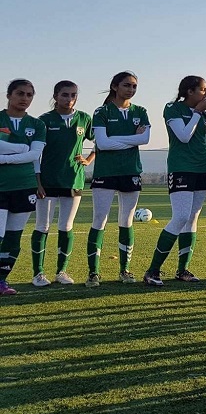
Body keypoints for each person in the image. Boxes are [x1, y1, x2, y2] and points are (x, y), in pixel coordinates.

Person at [142, 76, 206, 286]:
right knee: (180, 217)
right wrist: (196, 113)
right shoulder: (173, 109)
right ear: (190, 91)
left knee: (192, 219)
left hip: (203, 171)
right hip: (181, 169)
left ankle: (183, 270)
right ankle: (153, 271)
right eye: (203, 90)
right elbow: (183, 136)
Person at [88, 71, 151, 287]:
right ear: (115, 86)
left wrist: (118, 139)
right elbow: (102, 144)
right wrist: (132, 140)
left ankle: (125, 270)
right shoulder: (102, 111)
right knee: (100, 220)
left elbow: (145, 138)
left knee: (126, 221)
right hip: (105, 172)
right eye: (127, 85)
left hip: (131, 171)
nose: (131, 90)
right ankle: (93, 273)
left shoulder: (141, 111)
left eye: (134, 86)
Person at [31, 81, 94, 286]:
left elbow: (99, 140)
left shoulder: (84, 118)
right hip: (48, 181)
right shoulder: (44, 121)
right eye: (65, 95)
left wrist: (89, 159)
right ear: (56, 96)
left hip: (73, 179)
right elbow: (35, 154)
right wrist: (38, 181)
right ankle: (38, 273)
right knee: (43, 226)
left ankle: (61, 271)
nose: (69, 99)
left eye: (73, 95)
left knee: (66, 226)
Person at [0, 80, 47, 295]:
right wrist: (21, 150)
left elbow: (34, 154)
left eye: (29, 95)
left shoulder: (37, 125)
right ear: (9, 95)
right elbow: (26, 152)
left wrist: (3, 159)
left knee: (13, 237)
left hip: (25, 186)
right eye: (20, 93)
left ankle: (1, 281)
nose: (24, 98)